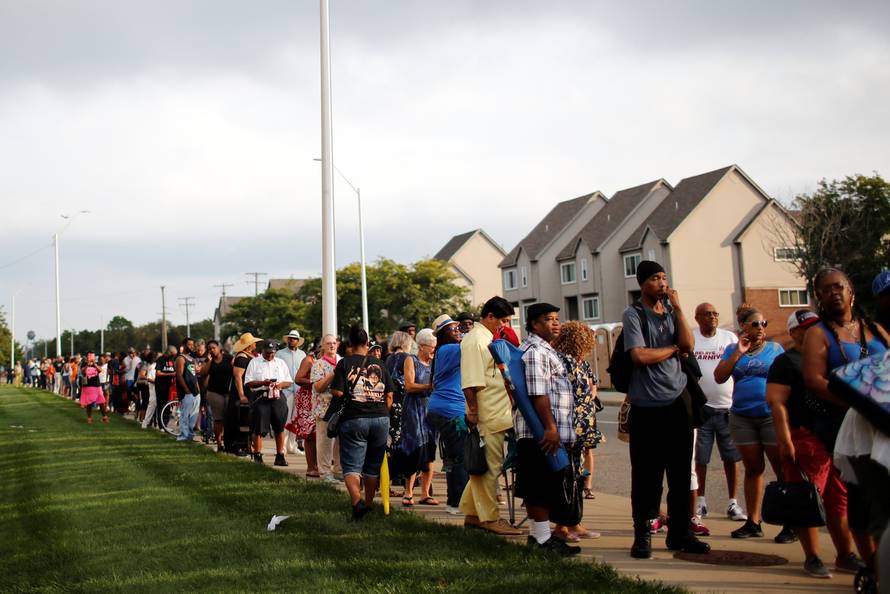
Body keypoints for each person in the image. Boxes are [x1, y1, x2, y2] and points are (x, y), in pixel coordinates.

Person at [803, 267, 889, 576]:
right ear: (819, 298)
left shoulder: (876, 330)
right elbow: (814, 380)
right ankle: (875, 568)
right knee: (861, 497)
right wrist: (859, 403)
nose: (834, 292)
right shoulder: (818, 334)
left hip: (883, 426)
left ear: (851, 292)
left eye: (839, 286)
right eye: (826, 289)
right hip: (848, 428)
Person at [623, 260, 709, 558]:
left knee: (680, 473)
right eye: (655, 279)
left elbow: (688, 343)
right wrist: (672, 350)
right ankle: (642, 534)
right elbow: (639, 356)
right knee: (646, 476)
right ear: (643, 284)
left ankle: (680, 534)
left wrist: (680, 308)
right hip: (647, 406)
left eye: (664, 278)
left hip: (677, 402)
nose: (662, 283)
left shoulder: (672, 312)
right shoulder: (633, 314)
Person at [768, 309, 859, 578]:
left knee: (839, 499)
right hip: (804, 437)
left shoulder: (827, 359)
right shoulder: (786, 361)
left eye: (816, 327)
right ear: (794, 332)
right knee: (806, 498)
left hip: (835, 437)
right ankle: (813, 557)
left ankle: (845, 555)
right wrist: (785, 440)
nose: (813, 332)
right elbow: (776, 402)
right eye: (806, 328)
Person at [714, 304, 794, 543]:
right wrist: (738, 352)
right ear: (744, 327)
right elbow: (719, 377)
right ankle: (753, 522)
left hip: (769, 415)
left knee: (782, 470)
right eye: (755, 324)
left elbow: (787, 379)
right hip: (742, 417)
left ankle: (790, 524)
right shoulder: (732, 349)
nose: (761, 328)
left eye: (764, 324)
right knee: (753, 469)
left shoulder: (775, 349)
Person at [516, 303, 581, 556]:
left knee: (538, 485)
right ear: (533, 324)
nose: (555, 323)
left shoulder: (544, 349)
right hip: (540, 432)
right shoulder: (535, 352)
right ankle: (543, 541)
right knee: (540, 486)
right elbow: (537, 392)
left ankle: (538, 537)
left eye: (556, 318)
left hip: (542, 430)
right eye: (547, 319)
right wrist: (550, 428)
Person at [459, 296, 522, 536]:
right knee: (490, 468)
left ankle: (474, 514)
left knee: (485, 465)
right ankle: (489, 518)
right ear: (489, 317)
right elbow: (470, 382)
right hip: (487, 414)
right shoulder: (475, 341)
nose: (504, 325)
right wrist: (473, 412)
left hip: (498, 412)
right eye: (503, 320)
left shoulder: (488, 338)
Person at [330, 325, 394, 520]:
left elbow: (338, 392)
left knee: (351, 465)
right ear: (367, 343)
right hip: (381, 418)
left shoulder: (344, 364)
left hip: (354, 418)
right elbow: (389, 395)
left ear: (350, 344)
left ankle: (357, 503)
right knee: (372, 466)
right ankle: (368, 503)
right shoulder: (380, 364)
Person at [692, 303, 746, 525]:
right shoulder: (692, 338)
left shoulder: (729, 338)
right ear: (697, 318)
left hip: (727, 408)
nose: (712, 317)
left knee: (731, 458)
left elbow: (739, 364)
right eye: (707, 314)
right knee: (700, 458)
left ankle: (733, 502)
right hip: (701, 409)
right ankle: (701, 501)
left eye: (715, 313)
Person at [551, 320, 602, 541]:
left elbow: (591, 388)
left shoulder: (582, 363)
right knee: (567, 476)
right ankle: (562, 526)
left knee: (578, 476)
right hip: (570, 426)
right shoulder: (564, 362)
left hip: (583, 427)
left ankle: (574, 522)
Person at [427, 315, 469, 515]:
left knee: (452, 459)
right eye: (453, 329)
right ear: (443, 334)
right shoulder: (450, 349)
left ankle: (454, 501)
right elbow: (473, 347)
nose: (458, 331)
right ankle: (458, 502)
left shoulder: (442, 351)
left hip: (440, 408)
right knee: (461, 458)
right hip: (452, 410)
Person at [395, 328, 438, 507]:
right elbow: (409, 386)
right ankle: (408, 492)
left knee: (430, 450)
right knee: (413, 449)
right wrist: (430, 386)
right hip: (413, 410)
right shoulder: (410, 360)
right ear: (421, 346)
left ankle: (425, 493)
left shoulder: (435, 362)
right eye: (431, 347)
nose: (434, 350)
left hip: (431, 411)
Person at [244, 340, 293, 466]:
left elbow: (288, 381)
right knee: (259, 427)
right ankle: (258, 455)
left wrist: (279, 385)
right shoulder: (255, 362)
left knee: (279, 426)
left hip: (277, 396)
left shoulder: (281, 363)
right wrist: (263, 383)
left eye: (273, 352)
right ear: (263, 350)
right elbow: (248, 382)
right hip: (261, 396)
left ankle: (280, 455)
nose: (270, 355)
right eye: (268, 352)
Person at [311, 335, 342, 482]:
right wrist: (332, 374)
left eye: (334, 343)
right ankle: (324, 472)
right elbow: (318, 387)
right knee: (325, 442)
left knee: (340, 442)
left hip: (341, 408)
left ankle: (339, 470)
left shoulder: (342, 361)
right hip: (324, 409)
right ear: (323, 346)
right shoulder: (318, 364)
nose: (332, 346)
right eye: (328, 343)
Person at [226, 333, 262, 455]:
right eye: (253, 342)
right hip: (242, 394)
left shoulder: (247, 356)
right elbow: (237, 377)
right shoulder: (241, 358)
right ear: (249, 345)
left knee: (246, 420)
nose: (255, 344)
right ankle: (237, 446)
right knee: (240, 419)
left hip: (248, 393)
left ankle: (245, 445)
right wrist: (241, 395)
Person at [276, 330, 307, 455]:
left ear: (298, 341)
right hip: (286, 390)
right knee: (284, 419)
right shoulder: (280, 354)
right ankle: (282, 446)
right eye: (290, 338)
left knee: (295, 419)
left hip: (299, 390)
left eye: (294, 338)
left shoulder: (302, 354)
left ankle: (292, 446)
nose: (292, 340)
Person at [291, 348, 319, 477]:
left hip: (321, 399)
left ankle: (319, 465)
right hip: (307, 399)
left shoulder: (333, 360)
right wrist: (316, 383)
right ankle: (311, 467)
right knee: (310, 434)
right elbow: (298, 379)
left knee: (321, 434)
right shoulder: (309, 360)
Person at [202, 340, 233, 452]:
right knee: (218, 419)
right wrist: (209, 361)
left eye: (213, 347)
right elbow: (203, 373)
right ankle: (219, 444)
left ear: (219, 347)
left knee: (229, 418)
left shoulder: (228, 358)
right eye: (209, 348)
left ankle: (229, 442)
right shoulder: (209, 361)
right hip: (214, 393)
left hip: (228, 393)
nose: (212, 350)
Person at [174, 338, 201, 443]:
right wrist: (186, 390)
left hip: (195, 391)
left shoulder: (192, 359)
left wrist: (197, 388)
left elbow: (194, 376)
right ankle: (183, 435)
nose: (191, 346)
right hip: (186, 392)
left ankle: (190, 435)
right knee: (185, 414)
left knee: (193, 415)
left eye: (192, 345)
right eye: (189, 344)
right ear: (184, 345)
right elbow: (179, 376)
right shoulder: (181, 358)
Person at [78, 352, 109, 424]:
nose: (91, 357)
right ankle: (89, 418)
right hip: (88, 386)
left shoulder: (96, 363)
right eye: (89, 356)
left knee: (101, 402)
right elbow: (83, 373)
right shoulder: (84, 363)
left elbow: (100, 370)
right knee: (89, 403)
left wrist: (94, 364)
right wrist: (87, 365)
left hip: (97, 385)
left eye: (92, 356)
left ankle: (104, 417)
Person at [153, 346, 177, 427]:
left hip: (170, 387)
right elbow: (158, 373)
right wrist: (171, 374)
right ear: (169, 353)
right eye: (173, 354)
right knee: (161, 404)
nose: (174, 356)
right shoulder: (161, 359)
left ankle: (165, 424)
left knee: (168, 405)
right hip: (160, 386)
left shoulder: (173, 360)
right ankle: (161, 425)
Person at [140, 353, 158, 430]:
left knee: (156, 405)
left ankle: (158, 423)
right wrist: (158, 382)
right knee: (151, 405)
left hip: (156, 388)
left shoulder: (155, 365)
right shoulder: (151, 366)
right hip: (153, 388)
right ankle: (145, 422)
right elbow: (149, 378)